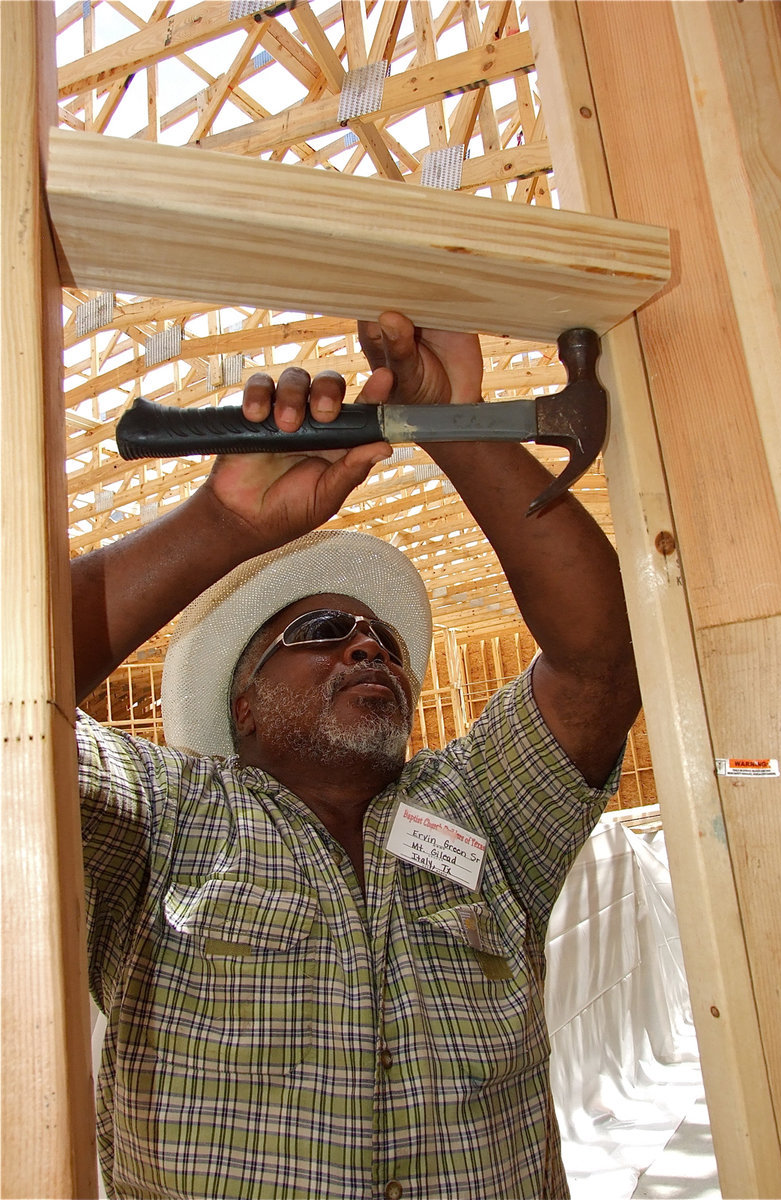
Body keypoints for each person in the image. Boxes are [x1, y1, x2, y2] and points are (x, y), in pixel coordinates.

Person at [72, 312, 640, 1200]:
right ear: (243, 701)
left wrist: (454, 421)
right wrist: (220, 524)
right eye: (323, 631)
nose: (368, 647)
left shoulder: (476, 808)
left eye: (383, 641)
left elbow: (602, 662)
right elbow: (13, 700)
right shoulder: (161, 819)